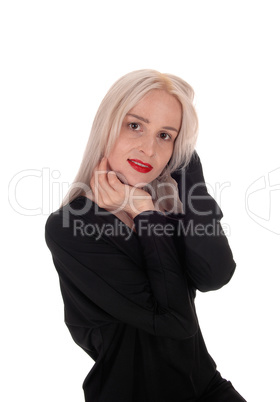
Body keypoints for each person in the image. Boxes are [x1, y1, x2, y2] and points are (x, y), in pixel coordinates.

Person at [45, 69, 246, 401]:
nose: (149, 150)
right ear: (106, 126)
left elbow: (215, 273)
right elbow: (173, 322)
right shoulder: (69, 226)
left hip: (207, 388)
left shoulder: (165, 205)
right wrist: (144, 215)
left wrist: (185, 163)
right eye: (134, 125)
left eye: (165, 135)